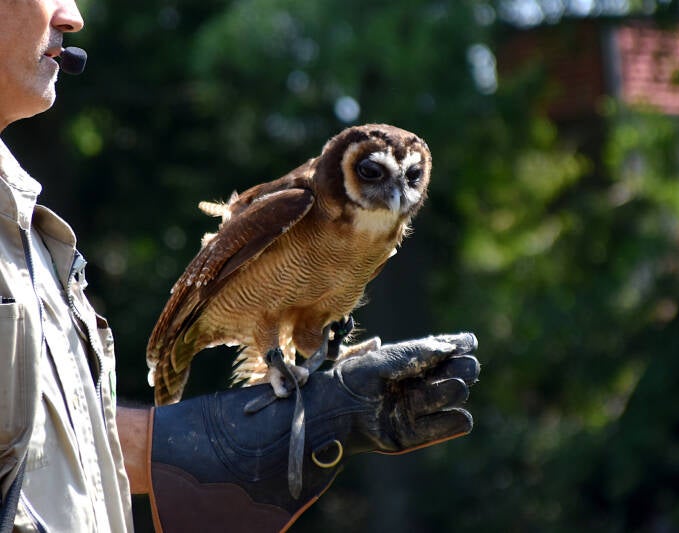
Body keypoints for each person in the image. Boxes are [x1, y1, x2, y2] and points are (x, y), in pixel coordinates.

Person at [0, 1, 480, 531]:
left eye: (409, 181)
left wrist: (222, 440)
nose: (72, 17)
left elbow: (42, 443)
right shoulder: (293, 205)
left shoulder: (25, 221)